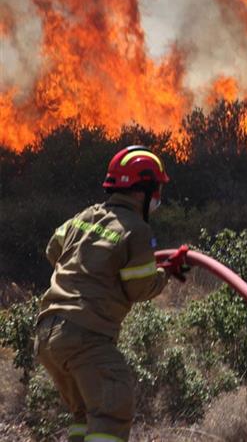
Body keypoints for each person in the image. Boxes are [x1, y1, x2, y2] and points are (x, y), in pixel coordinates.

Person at [33, 145, 189, 442]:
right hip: (85, 337)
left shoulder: (86, 216)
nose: (158, 197)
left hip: (47, 334)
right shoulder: (137, 229)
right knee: (112, 410)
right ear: (142, 191)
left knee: (85, 416)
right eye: (156, 189)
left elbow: (53, 249)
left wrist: (90, 270)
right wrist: (167, 272)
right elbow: (139, 287)